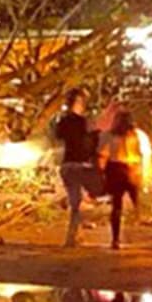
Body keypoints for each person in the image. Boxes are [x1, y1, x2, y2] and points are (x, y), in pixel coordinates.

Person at [53, 89, 100, 247]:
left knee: (76, 201)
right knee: (82, 202)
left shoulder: (63, 122)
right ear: (78, 103)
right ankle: (73, 236)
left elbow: (57, 136)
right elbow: (90, 142)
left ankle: (74, 235)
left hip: (66, 165)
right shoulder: (83, 122)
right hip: (81, 165)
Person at [98, 110, 144, 250]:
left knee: (116, 205)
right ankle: (139, 220)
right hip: (128, 168)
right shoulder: (134, 135)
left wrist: (101, 170)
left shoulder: (109, 135)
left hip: (114, 168)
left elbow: (101, 152)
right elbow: (138, 155)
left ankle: (116, 239)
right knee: (135, 199)